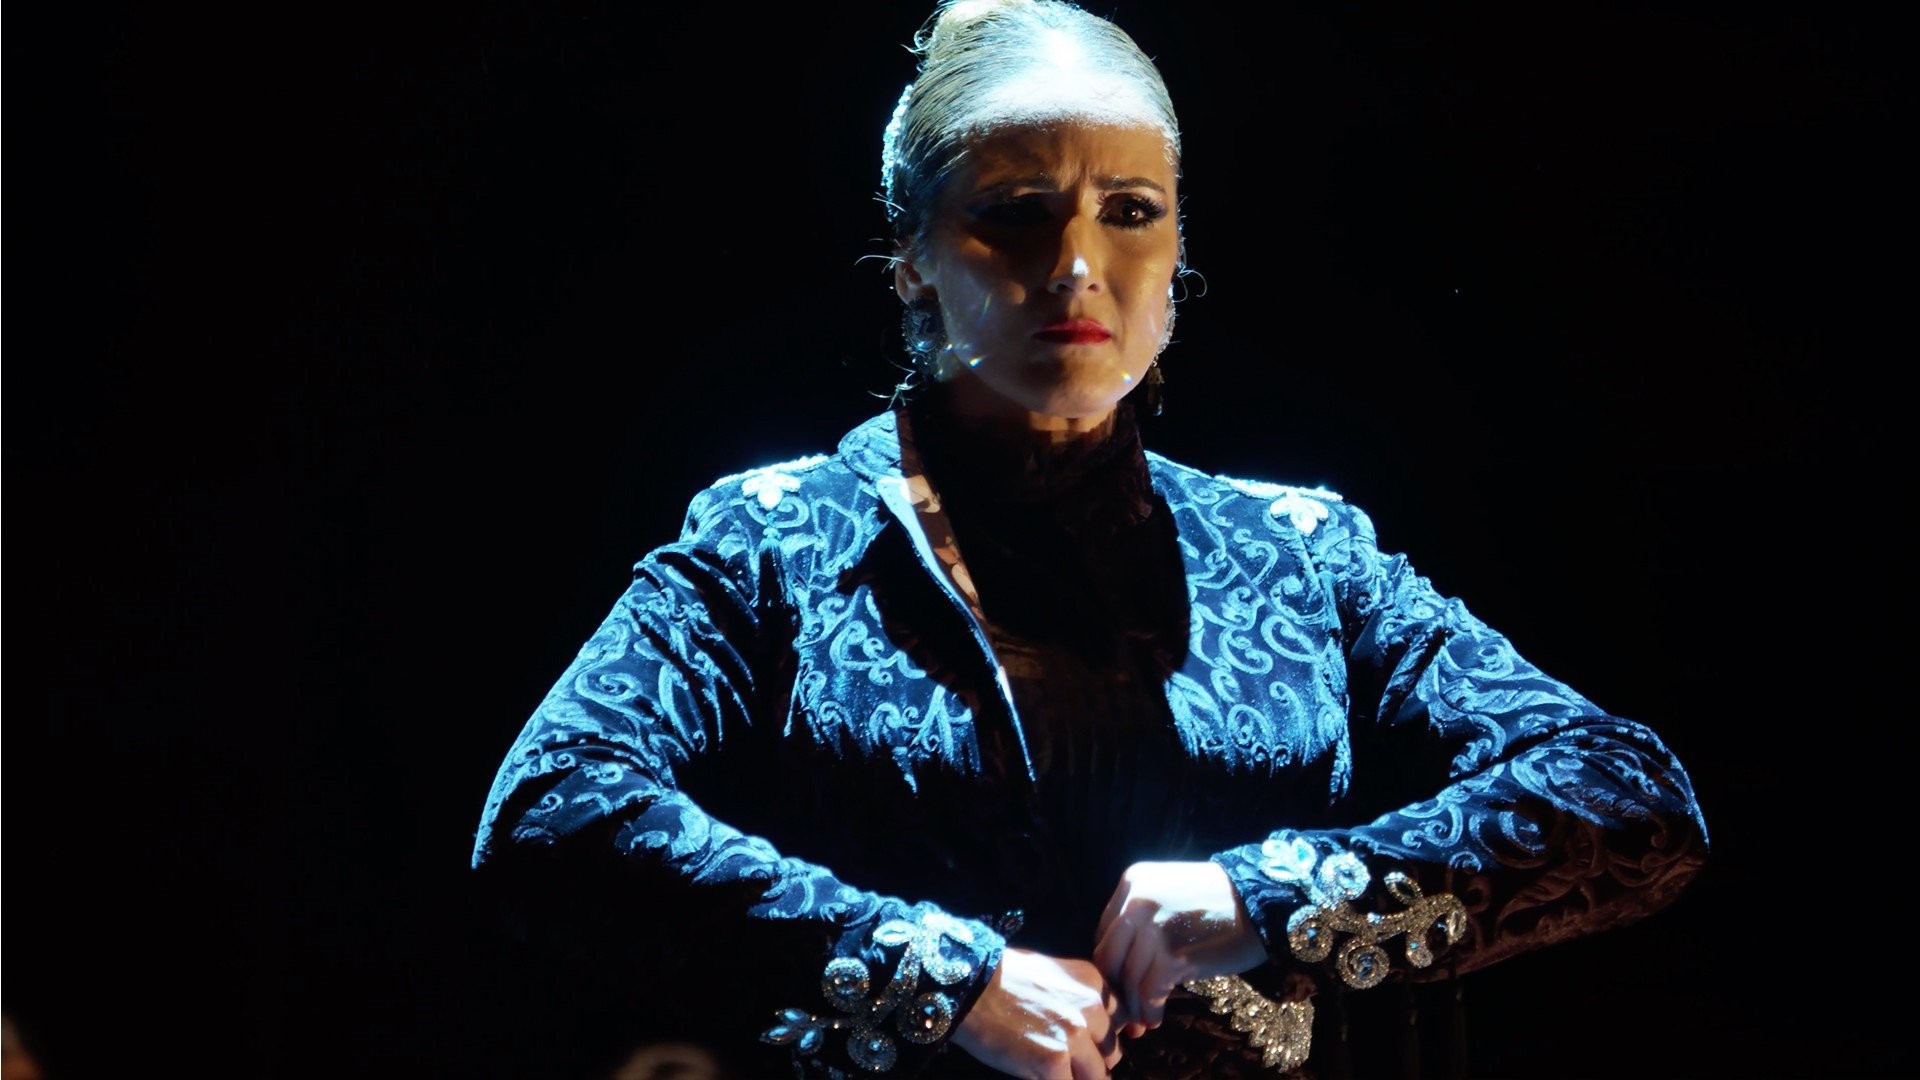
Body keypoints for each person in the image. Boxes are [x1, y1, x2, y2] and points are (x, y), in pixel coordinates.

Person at [468, 2, 1710, 1077]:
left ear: (1178, 256)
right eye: (1012, 214)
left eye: (1130, 212)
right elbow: (551, 810)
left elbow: (1628, 796)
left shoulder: (1296, 550)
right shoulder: (777, 539)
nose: (1076, 266)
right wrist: (939, 975)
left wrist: (1269, 896)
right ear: (910, 261)